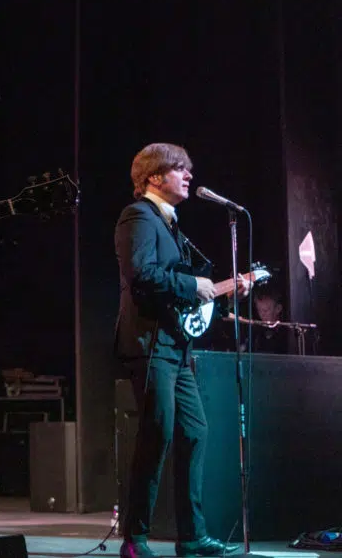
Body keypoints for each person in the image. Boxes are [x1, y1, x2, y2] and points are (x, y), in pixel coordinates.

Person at [115, 143, 249, 558]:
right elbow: (143, 276)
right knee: (156, 435)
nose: (189, 175)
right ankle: (134, 539)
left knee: (194, 432)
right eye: (180, 169)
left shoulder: (171, 225)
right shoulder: (138, 216)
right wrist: (194, 285)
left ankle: (192, 537)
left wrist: (224, 292)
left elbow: (181, 292)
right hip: (150, 345)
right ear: (154, 177)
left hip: (176, 345)